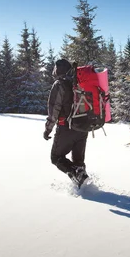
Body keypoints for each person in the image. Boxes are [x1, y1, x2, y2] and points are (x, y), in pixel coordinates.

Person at [43, 59, 89, 187]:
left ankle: (78, 179)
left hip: (66, 128)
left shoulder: (59, 85)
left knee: (56, 157)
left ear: (58, 70)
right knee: (78, 162)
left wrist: (48, 130)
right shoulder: (79, 82)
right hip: (83, 127)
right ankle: (84, 189)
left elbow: (54, 110)